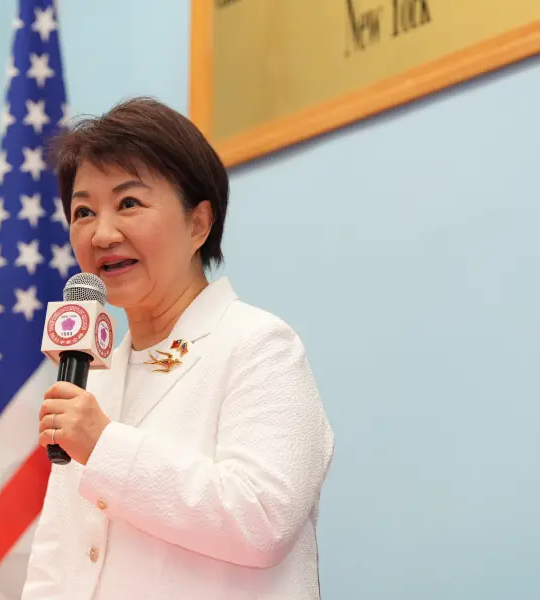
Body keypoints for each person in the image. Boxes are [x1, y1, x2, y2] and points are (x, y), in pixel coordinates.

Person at [21, 97, 335, 600]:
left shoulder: (260, 346)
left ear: (198, 224)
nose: (102, 234)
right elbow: (57, 560)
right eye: (83, 212)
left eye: (129, 203)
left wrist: (104, 445)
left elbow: (262, 520)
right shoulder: (93, 377)